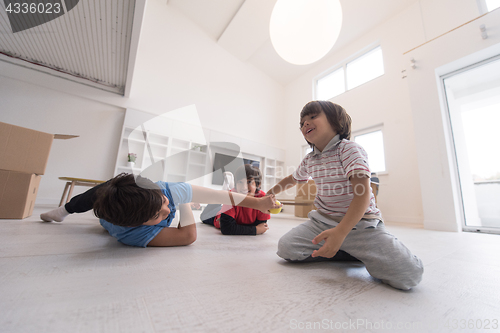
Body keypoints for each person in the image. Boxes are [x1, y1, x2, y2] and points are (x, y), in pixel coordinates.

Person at [266, 101, 423, 290]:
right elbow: (293, 179)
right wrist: (270, 193)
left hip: (360, 225)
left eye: (313, 117)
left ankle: (348, 245)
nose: (305, 123)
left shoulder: (348, 149)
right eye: (302, 122)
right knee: (286, 248)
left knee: (409, 276)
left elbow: (363, 194)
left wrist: (341, 232)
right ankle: (344, 249)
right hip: (322, 222)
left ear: (336, 122)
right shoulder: (310, 159)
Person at [40, 173, 279, 248]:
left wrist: (258, 203)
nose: (167, 211)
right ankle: (69, 209)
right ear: (141, 224)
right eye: (158, 216)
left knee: (110, 186)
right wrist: (185, 203)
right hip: (107, 217)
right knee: (98, 197)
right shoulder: (132, 234)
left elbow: (219, 195)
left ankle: (65, 209)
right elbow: (187, 236)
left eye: (165, 203)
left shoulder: (166, 190)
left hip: (147, 190)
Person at [201, 165, 270, 235]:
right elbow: (226, 228)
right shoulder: (231, 196)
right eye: (240, 182)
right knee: (203, 217)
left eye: (249, 182)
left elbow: (261, 225)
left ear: (258, 185)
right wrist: (256, 230)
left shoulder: (262, 198)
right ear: (236, 185)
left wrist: (236, 226)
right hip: (218, 214)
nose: (244, 187)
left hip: (232, 211)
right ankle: (222, 194)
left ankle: (223, 194)